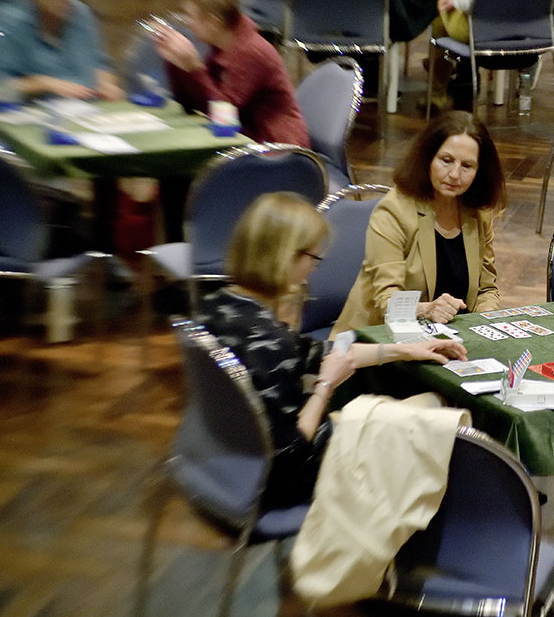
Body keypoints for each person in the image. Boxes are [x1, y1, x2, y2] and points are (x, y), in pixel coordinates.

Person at [198, 192, 467, 510]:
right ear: (284, 256)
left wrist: (406, 350)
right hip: (281, 483)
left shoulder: (215, 307)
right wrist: (324, 388)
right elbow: (291, 454)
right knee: (439, 419)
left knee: (410, 414)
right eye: (312, 257)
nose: (313, 269)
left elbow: (319, 353)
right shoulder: (269, 342)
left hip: (219, 463)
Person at [334, 112, 506, 330]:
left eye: (467, 166)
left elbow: (486, 290)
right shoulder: (393, 211)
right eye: (446, 160)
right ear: (428, 158)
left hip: (451, 339)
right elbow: (387, 304)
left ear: (479, 172)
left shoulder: (479, 213)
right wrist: (428, 309)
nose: (454, 174)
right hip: (380, 342)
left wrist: (486, 318)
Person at [154, 0, 310, 146]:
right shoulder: (222, 47)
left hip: (277, 148)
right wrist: (177, 62)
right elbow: (192, 105)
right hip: (249, 141)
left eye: (191, 17)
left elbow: (224, 117)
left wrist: (194, 67)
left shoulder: (252, 52)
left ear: (213, 22)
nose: (187, 23)